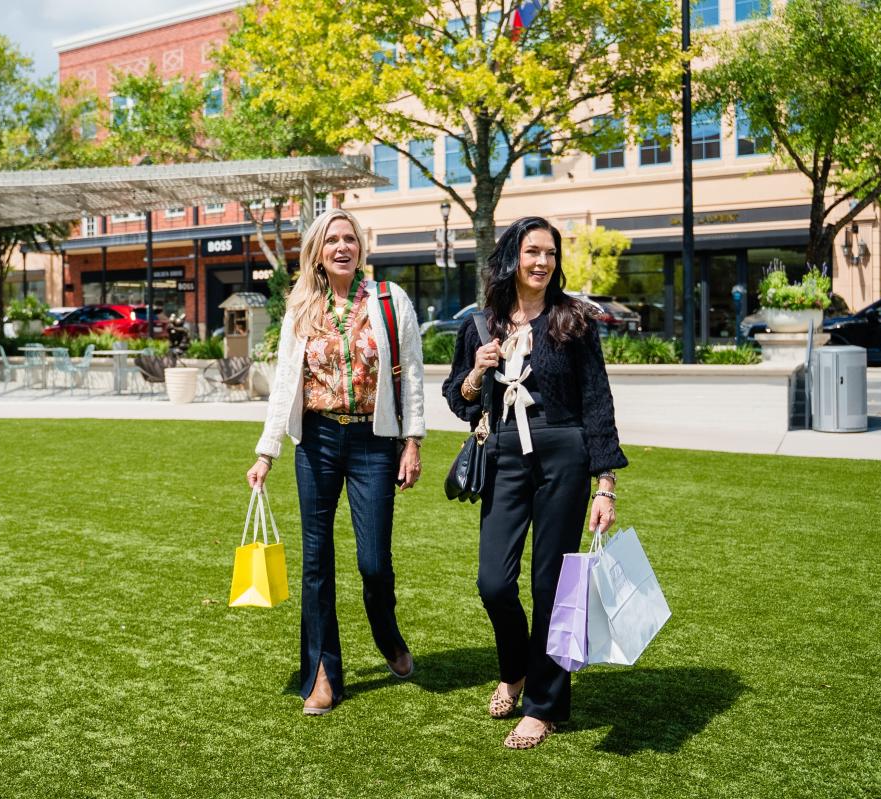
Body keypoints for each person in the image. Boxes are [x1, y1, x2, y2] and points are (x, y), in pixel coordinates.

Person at [443, 216, 627, 749]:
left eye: (550, 252)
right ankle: (515, 668)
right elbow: (458, 400)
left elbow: (597, 403)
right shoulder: (480, 324)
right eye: (531, 252)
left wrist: (605, 484)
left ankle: (543, 705)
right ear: (511, 259)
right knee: (494, 582)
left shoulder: (574, 320)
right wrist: (477, 372)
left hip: (563, 453)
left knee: (552, 586)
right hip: (502, 454)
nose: (542, 262)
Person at [247, 208, 426, 716]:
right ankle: (323, 674)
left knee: (373, 562)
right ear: (318, 254)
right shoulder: (302, 307)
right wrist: (267, 452)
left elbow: (411, 373)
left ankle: (386, 633)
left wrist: (412, 441)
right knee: (316, 562)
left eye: (350, 239)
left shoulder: (390, 301)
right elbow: (285, 382)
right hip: (318, 442)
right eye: (332, 241)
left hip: (373, 441)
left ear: (360, 247)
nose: (343, 247)